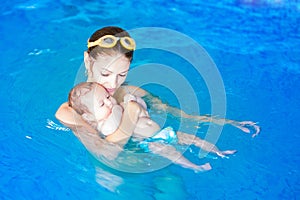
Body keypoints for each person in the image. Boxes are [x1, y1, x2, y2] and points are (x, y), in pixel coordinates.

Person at [55, 26, 259, 167]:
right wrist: (132, 114)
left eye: (122, 74)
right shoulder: (70, 111)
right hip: (117, 175)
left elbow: (182, 116)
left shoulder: (133, 92)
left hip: (161, 156)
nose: (112, 84)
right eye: (106, 73)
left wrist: (227, 122)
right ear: (87, 61)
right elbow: (106, 153)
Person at [68, 82, 216, 172]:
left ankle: (219, 151)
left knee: (192, 138)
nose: (109, 102)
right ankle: (194, 167)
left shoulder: (116, 106)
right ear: (89, 117)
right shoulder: (104, 124)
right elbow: (117, 130)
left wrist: (134, 102)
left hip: (163, 132)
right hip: (150, 142)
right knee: (171, 152)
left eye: (107, 97)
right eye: (102, 104)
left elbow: (142, 108)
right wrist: (127, 106)